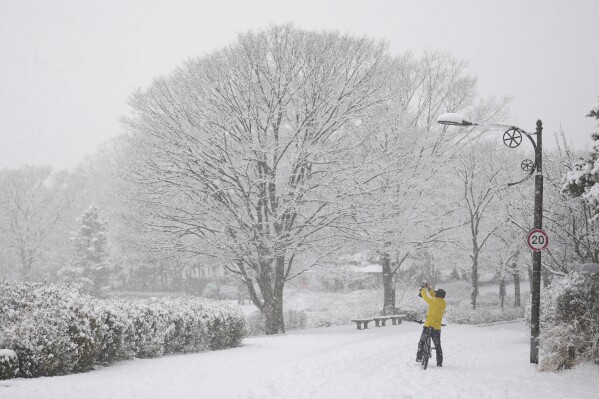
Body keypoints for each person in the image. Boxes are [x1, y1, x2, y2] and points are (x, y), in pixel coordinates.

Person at [416, 283, 446, 367]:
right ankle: (439, 363)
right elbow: (434, 296)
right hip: (437, 328)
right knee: (438, 346)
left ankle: (419, 356)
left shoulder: (433, 302)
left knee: (422, 341)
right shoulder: (443, 303)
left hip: (428, 326)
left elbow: (425, 297)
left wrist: (423, 289)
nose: (434, 293)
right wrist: (429, 289)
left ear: (438, 295)